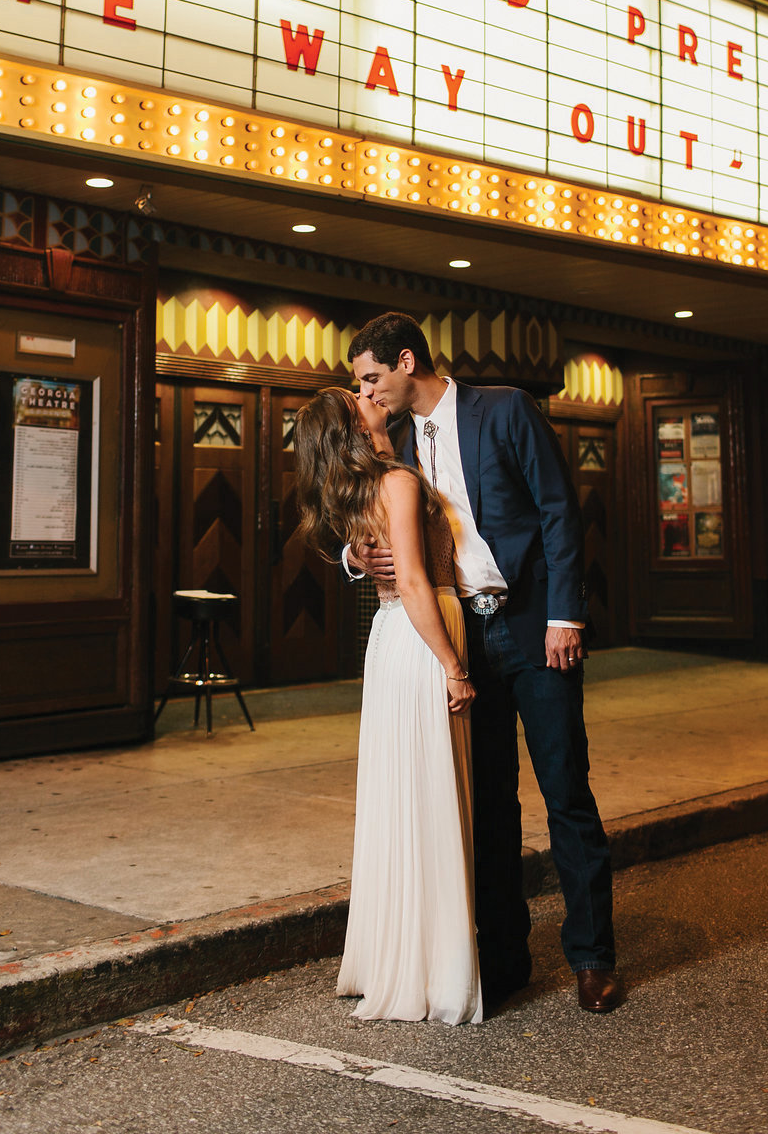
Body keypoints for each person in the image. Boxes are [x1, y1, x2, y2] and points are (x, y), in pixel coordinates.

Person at [345, 312, 619, 1014]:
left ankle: (592, 957)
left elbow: (560, 512)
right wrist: (355, 557)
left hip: (532, 628)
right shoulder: (395, 441)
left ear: (407, 361)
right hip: (462, 641)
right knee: (488, 806)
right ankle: (503, 961)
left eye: (372, 377)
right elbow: (362, 516)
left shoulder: (505, 409)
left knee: (567, 791)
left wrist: (565, 616)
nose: (367, 393)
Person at [293, 386, 483, 1025]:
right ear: (354, 420)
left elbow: (378, 561)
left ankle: (393, 955)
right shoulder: (397, 480)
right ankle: (432, 965)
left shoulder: (359, 486)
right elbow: (410, 576)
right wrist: (454, 666)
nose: (368, 392)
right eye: (357, 393)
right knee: (428, 796)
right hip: (423, 632)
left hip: (390, 637)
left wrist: (356, 555)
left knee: (400, 798)